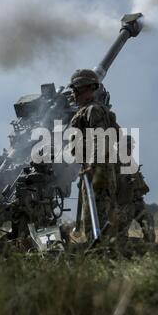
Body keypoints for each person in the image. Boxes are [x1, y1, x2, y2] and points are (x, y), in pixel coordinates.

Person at [68, 69, 119, 240]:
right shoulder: (94, 111)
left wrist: (91, 166)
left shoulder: (93, 111)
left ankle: (101, 257)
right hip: (95, 172)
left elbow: (101, 140)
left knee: (95, 222)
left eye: (75, 90)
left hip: (97, 173)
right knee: (94, 221)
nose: (73, 94)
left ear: (84, 88)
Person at [116, 135, 156, 242]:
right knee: (121, 232)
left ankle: (149, 247)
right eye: (129, 146)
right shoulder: (116, 163)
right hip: (123, 204)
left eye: (132, 147)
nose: (131, 149)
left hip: (137, 202)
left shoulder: (131, 161)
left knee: (148, 222)